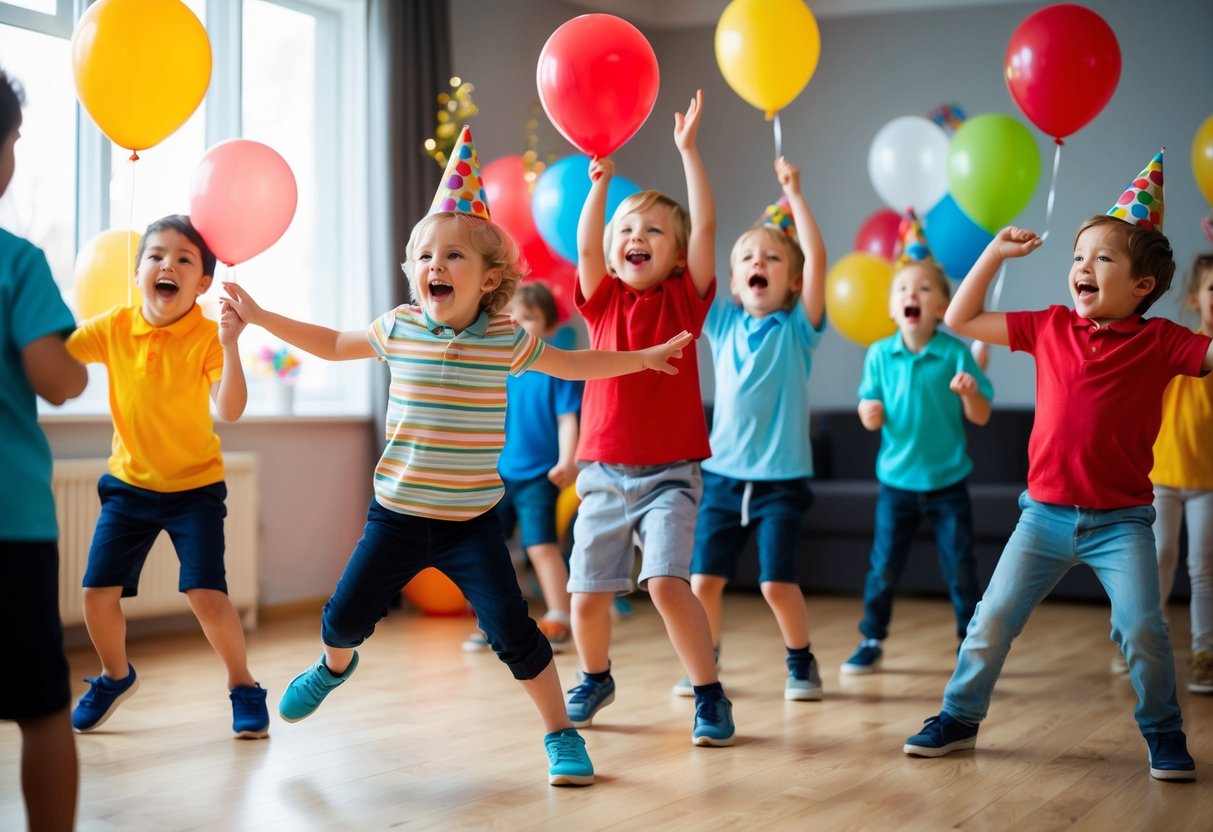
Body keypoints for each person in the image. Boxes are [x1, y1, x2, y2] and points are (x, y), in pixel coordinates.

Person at [220, 126, 694, 787]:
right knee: (343, 618)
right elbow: (330, 342)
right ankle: (332, 667)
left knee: (514, 633)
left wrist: (638, 358)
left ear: (490, 278)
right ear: (412, 272)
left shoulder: (506, 338)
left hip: (471, 522)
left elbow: (575, 362)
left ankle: (560, 733)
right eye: (423, 256)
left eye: (453, 256)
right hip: (396, 516)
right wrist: (265, 317)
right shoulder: (398, 327)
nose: (434, 266)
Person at [904, 150, 1211, 781]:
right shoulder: (1047, 326)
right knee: (991, 620)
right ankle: (959, 717)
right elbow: (959, 317)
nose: (1082, 267)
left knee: (1143, 630)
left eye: (1102, 258)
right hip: (1041, 516)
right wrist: (993, 254)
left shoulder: (1162, 342)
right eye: (1078, 256)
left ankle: (1163, 731)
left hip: (1121, 522)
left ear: (1142, 287)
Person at [564, 89, 735, 747]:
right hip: (603, 472)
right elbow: (584, 248)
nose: (638, 237)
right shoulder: (601, 300)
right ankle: (594, 676)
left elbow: (710, 228)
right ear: (613, 252)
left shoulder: (684, 302)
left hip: (670, 474)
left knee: (665, 582)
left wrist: (687, 152)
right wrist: (599, 189)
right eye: (627, 232)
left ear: (674, 254)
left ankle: (708, 693)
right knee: (585, 594)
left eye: (654, 231)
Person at [65, 214, 270, 740]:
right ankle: (115, 676)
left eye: (184, 260)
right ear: (137, 274)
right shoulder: (114, 326)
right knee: (96, 593)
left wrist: (229, 343)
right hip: (128, 486)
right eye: (156, 255)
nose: (168, 265)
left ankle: (243, 685)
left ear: (202, 284)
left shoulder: (206, 336)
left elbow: (230, 410)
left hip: (194, 490)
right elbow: (60, 356)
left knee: (206, 595)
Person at [675, 156, 827, 701]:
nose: (757, 262)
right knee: (703, 582)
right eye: (746, 259)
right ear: (735, 282)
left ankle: (800, 661)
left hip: (781, 481)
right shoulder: (719, 323)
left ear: (792, 280)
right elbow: (700, 254)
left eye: (771, 258)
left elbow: (818, 258)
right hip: (720, 478)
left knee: (774, 582)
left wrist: (796, 193)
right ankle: (703, 662)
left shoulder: (797, 330)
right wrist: (692, 155)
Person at [841, 213, 992, 674]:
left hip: (948, 480)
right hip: (897, 481)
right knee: (883, 566)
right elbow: (869, 410)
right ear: (891, 308)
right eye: (903, 289)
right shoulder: (879, 355)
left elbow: (982, 415)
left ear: (944, 305)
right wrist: (869, 414)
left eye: (925, 289)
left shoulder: (955, 352)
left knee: (960, 567)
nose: (912, 295)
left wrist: (970, 392)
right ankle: (871, 637)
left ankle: (970, 641)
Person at [0, 67, 85, 832]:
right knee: (41, 708)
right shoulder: (16, 260)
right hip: (9, 524)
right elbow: (53, 379)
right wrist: (79, 362)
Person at [462, 282, 582, 653]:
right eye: (509, 317)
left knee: (541, 546)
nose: (516, 323)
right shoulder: (497, 371)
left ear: (547, 327)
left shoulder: (557, 370)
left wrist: (568, 460)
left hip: (539, 477)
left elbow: (567, 420)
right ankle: (495, 621)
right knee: (488, 550)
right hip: (496, 475)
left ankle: (559, 617)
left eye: (527, 318)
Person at [1147, 252, 1213, 693]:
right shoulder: (1175, 346)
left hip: (1207, 482)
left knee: (1203, 566)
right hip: (1162, 477)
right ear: (1194, 298)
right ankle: (1141, 644)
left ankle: (1204, 651)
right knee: (1158, 558)